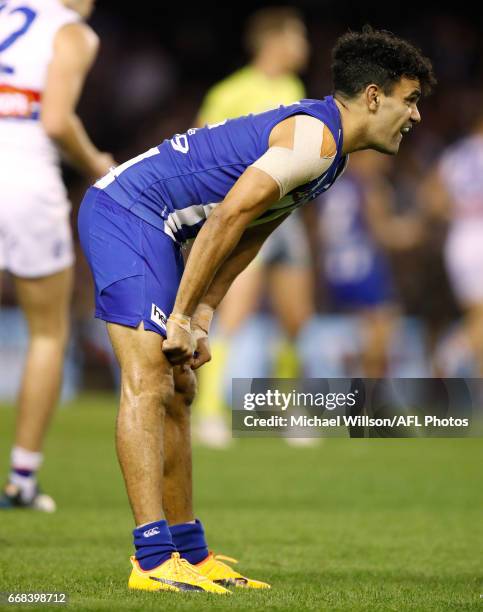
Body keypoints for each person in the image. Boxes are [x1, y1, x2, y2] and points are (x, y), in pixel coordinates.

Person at [78, 27, 434, 594]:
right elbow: (224, 220)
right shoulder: (314, 140)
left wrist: (204, 314)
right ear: (373, 96)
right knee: (148, 378)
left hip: (159, 228)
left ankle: (190, 555)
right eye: (409, 99)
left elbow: (255, 231)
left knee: (181, 386)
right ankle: (150, 560)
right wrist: (180, 316)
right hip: (127, 212)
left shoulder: (330, 154)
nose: (415, 116)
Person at [0, 0, 114, 511]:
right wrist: (96, 162)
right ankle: (21, 478)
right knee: (48, 330)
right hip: (24, 176)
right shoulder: (70, 31)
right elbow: (54, 120)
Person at [194, 6, 314, 447]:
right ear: (275, 41)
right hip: (250, 217)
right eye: (297, 35)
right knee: (235, 313)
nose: (303, 44)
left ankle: (287, 410)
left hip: (287, 216)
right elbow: (202, 147)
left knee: (297, 319)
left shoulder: (292, 87)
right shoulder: (232, 92)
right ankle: (208, 411)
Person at [422, 108, 483, 374]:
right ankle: (447, 356)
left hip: (461, 238)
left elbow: (430, 198)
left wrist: (457, 213)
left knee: (477, 317)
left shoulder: (454, 155)